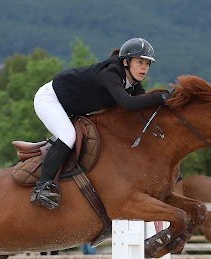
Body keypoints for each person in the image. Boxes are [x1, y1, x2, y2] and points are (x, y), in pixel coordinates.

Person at [31, 37, 170, 209]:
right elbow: (127, 103)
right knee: (68, 135)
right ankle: (42, 187)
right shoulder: (110, 72)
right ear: (126, 62)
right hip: (50, 99)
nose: (144, 68)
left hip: (72, 106)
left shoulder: (133, 83)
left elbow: (140, 110)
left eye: (148, 64)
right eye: (140, 62)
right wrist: (160, 96)